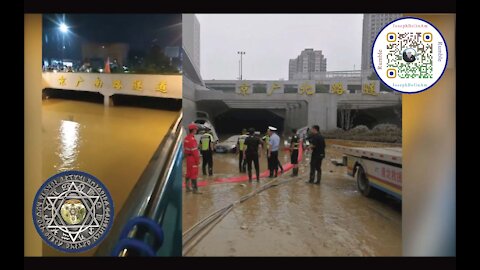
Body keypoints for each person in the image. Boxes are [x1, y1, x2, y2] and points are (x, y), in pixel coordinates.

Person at [184, 123, 201, 193]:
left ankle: (187, 188)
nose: (196, 131)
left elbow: (185, 150)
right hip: (193, 159)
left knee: (188, 173)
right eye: (196, 130)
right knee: (194, 174)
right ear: (193, 130)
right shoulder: (192, 140)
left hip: (188, 158)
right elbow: (195, 152)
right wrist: (197, 161)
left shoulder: (186, 138)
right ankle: (195, 190)